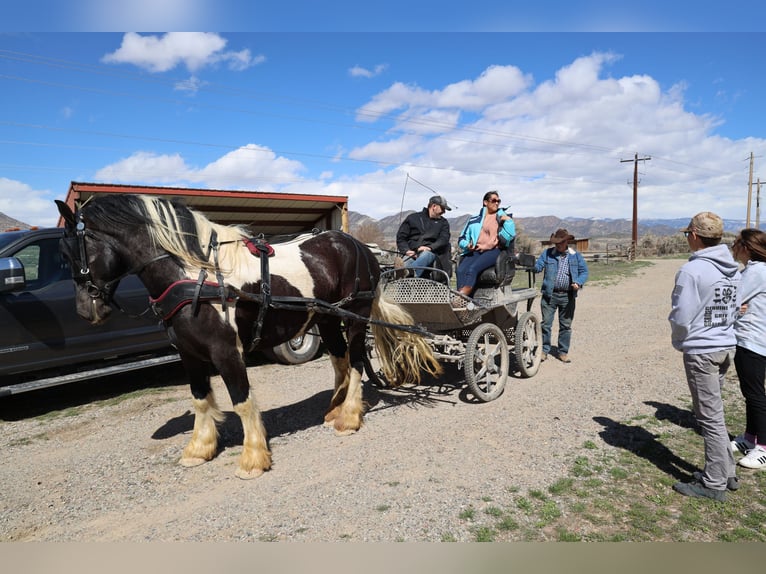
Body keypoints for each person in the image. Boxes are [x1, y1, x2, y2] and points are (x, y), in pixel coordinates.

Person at [669, 211, 741, 502]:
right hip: (725, 344)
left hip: (701, 349)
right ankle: (726, 471)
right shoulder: (732, 269)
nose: (687, 239)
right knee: (716, 415)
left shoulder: (692, 271)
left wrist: (679, 341)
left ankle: (714, 483)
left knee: (708, 419)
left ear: (695, 236)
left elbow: (682, 316)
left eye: (687, 235)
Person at [729, 229, 766, 469]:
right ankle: (750, 438)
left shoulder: (755, 272)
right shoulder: (757, 270)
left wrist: (735, 307)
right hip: (753, 338)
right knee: (750, 391)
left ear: (747, 247)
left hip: (752, 339)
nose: (733, 247)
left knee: (754, 394)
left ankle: (763, 447)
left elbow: (732, 299)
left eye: (736, 243)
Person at [533, 228, 588, 363]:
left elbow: (584, 272)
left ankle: (563, 352)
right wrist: (532, 265)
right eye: (556, 242)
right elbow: (538, 266)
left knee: (565, 326)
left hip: (567, 296)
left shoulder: (576, 256)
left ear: (566, 241)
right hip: (549, 295)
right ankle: (544, 350)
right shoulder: (547, 254)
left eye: (561, 242)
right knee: (546, 324)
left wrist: (578, 282)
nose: (558, 245)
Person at [455, 190, 515, 296]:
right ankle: (463, 299)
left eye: (498, 201)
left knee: (472, 269)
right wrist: (467, 245)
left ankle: (461, 299)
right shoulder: (474, 219)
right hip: (476, 250)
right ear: (485, 202)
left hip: (494, 250)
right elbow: (462, 238)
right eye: (493, 200)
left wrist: (508, 221)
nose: (496, 203)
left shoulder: (502, 217)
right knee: (460, 270)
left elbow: (510, 237)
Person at [396, 195, 452, 278]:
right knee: (405, 263)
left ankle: (410, 272)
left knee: (426, 255)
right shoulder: (412, 218)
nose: (444, 212)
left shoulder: (443, 223)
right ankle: (403, 274)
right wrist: (406, 250)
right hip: (412, 253)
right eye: (443, 208)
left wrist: (429, 248)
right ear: (434, 206)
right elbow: (401, 237)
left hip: (432, 254)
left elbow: (444, 239)